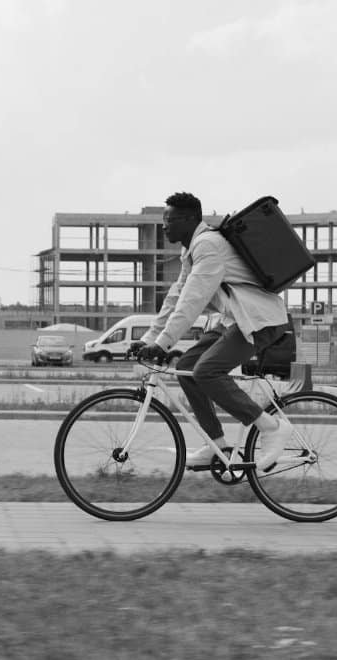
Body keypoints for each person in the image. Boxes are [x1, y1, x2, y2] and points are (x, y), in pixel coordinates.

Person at [130, 191, 293, 473]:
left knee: (206, 371)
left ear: (191, 219)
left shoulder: (208, 247)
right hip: (235, 320)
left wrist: (164, 343)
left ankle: (271, 427)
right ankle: (216, 444)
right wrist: (148, 340)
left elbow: (192, 302)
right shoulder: (192, 250)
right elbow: (175, 298)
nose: (164, 226)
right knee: (187, 366)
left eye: (170, 220)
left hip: (259, 320)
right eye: (163, 220)